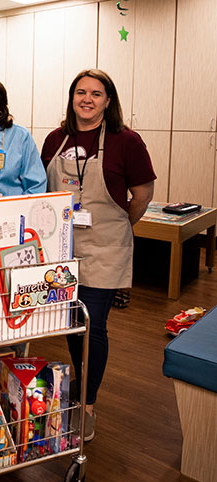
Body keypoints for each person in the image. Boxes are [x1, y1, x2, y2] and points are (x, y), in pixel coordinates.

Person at [41, 68, 155, 442]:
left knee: (94, 325)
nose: (87, 99)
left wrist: (120, 224)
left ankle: (87, 404)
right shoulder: (56, 139)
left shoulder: (127, 141)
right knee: (73, 324)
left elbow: (141, 196)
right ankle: (79, 384)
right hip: (62, 248)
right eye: (80, 92)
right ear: (72, 97)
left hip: (104, 246)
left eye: (96, 93)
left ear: (108, 100)